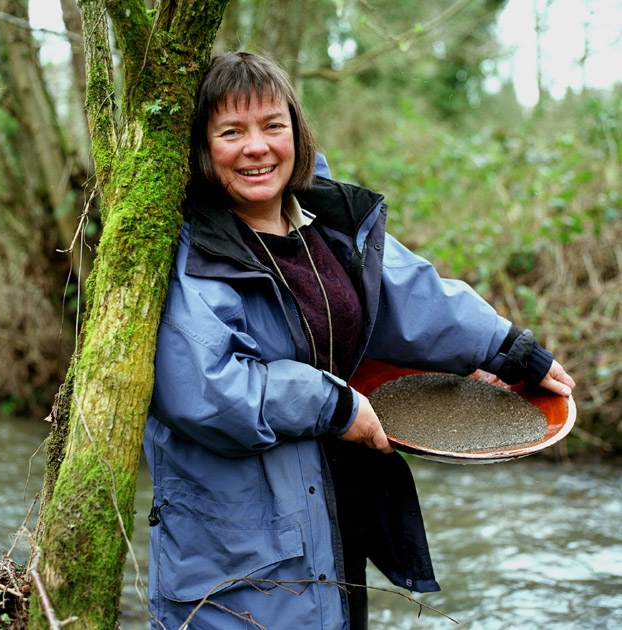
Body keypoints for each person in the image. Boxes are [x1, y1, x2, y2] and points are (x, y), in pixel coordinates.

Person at [143, 51, 575, 630]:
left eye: (273, 125)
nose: (257, 147)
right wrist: (334, 404)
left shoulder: (325, 218)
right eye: (231, 132)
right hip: (239, 544)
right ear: (201, 147)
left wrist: (507, 348)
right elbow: (205, 389)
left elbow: (410, 294)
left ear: (296, 129)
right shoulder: (188, 252)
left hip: (335, 516)